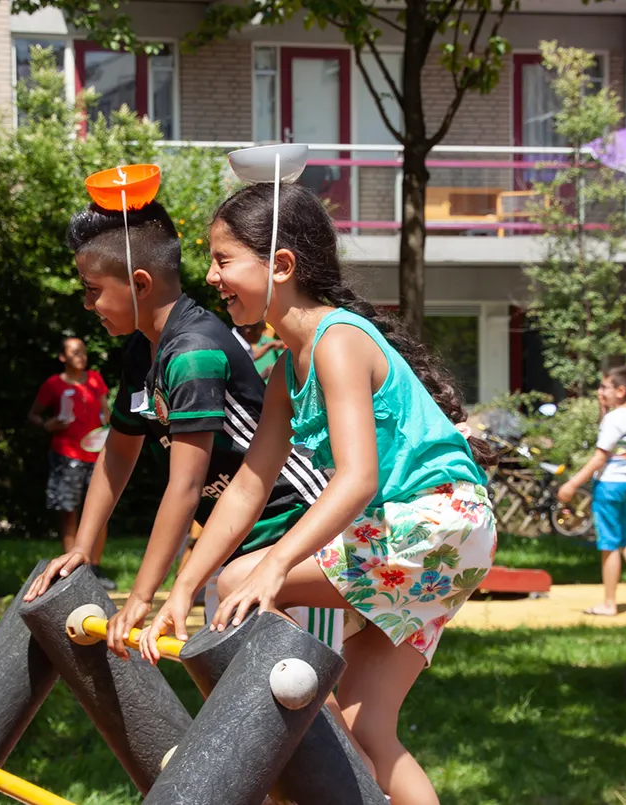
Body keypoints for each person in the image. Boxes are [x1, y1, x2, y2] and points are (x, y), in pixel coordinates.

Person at [137, 182, 496, 805]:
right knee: (365, 728)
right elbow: (249, 484)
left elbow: (356, 479)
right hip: (444, 536)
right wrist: (182, 589)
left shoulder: (337, 340)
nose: (210, 275)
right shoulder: (287, 366)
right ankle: (309, 738)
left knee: (244, 586)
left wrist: (271, 567)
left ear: (280, 265)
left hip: (436, 524)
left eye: (223, 260)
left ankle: (293, 737)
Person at [23, 195, 333, 660]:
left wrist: (144, 596)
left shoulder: (192, 353)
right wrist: (84, 549)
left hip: (296, 532)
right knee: (250, 700)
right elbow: (120, 451)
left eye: (92, 289)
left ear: (139, 283)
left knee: (302, 705)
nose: (87, 304)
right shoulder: (139, 350)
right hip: (233, 545)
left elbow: (184, 486)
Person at [559, 365, 626, 617]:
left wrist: (572, 484)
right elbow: (609, 435)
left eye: (604, 387)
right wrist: (603, 409)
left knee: (609, 544)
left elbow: (600, 457)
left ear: (621, 390)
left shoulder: (614, 419)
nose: (600, 391)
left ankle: (609, 603)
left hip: (609, 486)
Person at [27, 336, 116, 590]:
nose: (81, 356)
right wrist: (47, 424)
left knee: (100, 511)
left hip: (98, 455)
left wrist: (107, 431)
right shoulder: (53, 384)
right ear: (62, 357)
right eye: (75, 352)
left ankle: (95, 568)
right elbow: (33, 415)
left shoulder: (95, 380)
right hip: (66, 455)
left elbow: (105, 415)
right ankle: (73, 569)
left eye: (83, 352)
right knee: (69, 512)